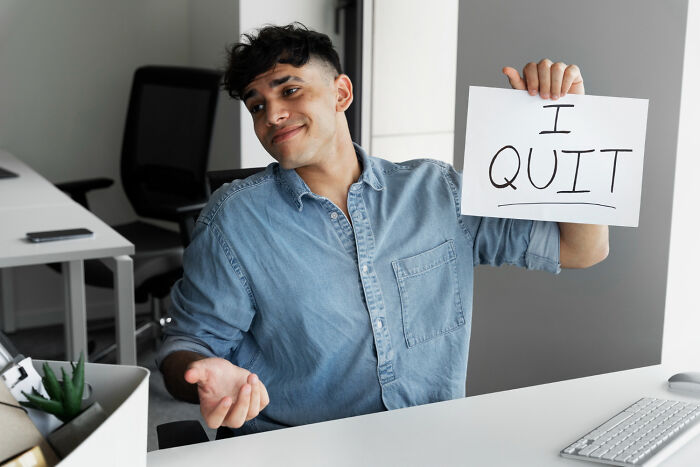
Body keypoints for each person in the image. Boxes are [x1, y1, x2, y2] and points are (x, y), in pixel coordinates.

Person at [158, 23, 609, 437]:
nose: (272, 115)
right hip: (297, 449)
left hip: (429, 443)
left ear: (341, 93)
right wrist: (203, 372)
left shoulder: (437, 192)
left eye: (290, 90)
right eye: (257, 105)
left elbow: (582, 250)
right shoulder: (234, 220)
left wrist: (567, 123)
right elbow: (187, 343)